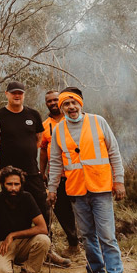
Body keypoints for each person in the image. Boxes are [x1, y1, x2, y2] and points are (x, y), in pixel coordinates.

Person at [47, 89, 133, 273]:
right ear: (61, 107)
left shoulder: (98, 122)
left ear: (81, 104)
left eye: (73, 103)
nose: (71, 107)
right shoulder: (58, 130)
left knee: (107, 236)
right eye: (66, 104)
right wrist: (52, 188)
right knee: (88, 237)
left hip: (101, 189)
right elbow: (56, 163)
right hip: (76, 191)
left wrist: (119, 181)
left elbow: (114, 152)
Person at [0, 81, 68, 266]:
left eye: (20, 93)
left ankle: (47, 250)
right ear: (7, 94)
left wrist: (28, 153)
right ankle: (11, 249)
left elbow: (39, 138)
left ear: (24, 95)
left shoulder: (32, 114)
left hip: (31, 171)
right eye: (13, 93)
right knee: (8, 209)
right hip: (8, 173)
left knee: (43, 207)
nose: (17, 96)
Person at [0, 166, 50, 273]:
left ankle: (27, 272)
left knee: (44, 240)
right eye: (9, 184)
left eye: (16, 184)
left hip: (23, 242)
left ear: (21, 185)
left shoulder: (27, 198)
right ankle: (6, 272)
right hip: (1, 245)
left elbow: (42, 228)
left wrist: (13, 235)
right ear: (2, 184)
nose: (13, 188)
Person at [39, 90, 79, 257]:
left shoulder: (73, 118)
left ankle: (90, 241)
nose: (53, 103)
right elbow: (42, 150)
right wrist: (42, 171)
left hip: (77, 174)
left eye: (56, 100)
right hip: (58, 176)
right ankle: (73, 243)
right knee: (61, 210)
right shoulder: (44, 125)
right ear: (46, 103)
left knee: (82, 209)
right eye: (49, 101)